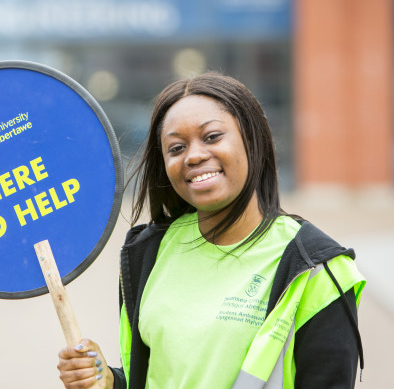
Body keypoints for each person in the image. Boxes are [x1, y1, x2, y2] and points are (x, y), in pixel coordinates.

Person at [56, 72, 366, 388]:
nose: (194, 155)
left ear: (251, 139)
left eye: (212, 136)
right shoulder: (146, 253)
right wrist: (108, 381)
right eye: (176, 148)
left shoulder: (317, 269)